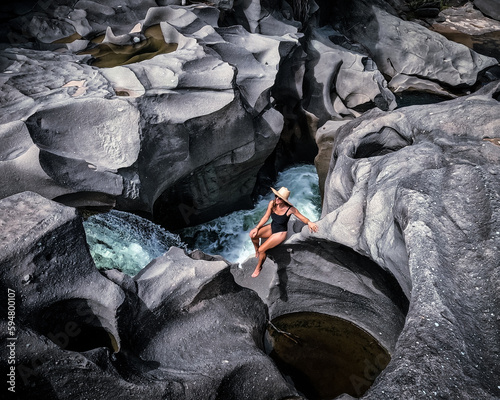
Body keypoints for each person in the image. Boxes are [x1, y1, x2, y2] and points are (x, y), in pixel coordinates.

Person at [248, 187, 319, 277]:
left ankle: (259, 267)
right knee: (252, 234)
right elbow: (266, 217)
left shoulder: (290, 209)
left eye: (280, 198)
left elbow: (302, 217)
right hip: (272, 227)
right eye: (276, 196)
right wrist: (257, 228)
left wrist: (309, 222)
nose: (277, 199)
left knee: (263, 249)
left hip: (280, 233)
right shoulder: (272, 203)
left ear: (284, 200)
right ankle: (256, 250)